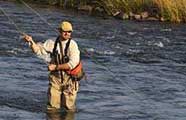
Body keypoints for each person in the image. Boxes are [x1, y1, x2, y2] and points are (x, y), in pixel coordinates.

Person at [23, 21, 80, 112]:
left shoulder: (73, 45)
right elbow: (38, 51)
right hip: (55, 79)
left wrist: (56, 67)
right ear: (59, 31)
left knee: (69, 109)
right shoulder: (51, 43)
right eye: (64, 31)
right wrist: (31, 41)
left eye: (69, 31)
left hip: (70, 80)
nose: (67, 33)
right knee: (52, 109)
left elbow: (72, 64)